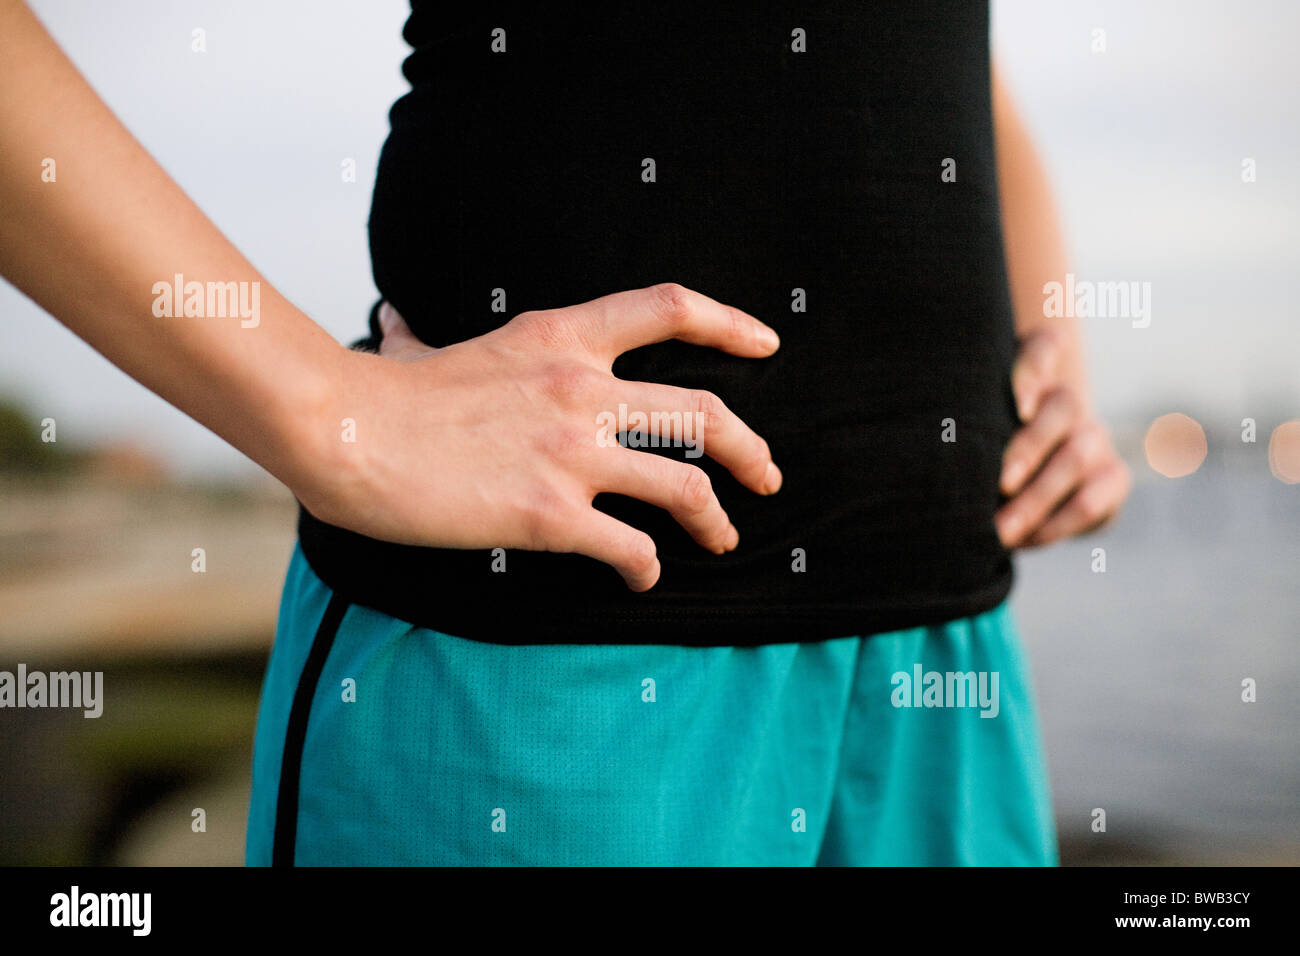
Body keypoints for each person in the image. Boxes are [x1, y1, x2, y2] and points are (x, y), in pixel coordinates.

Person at [0, 1, 1130, 865]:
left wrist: (1050, 348)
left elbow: (955, 65)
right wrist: (328, 415)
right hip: (550, 644)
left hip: (945, 652)